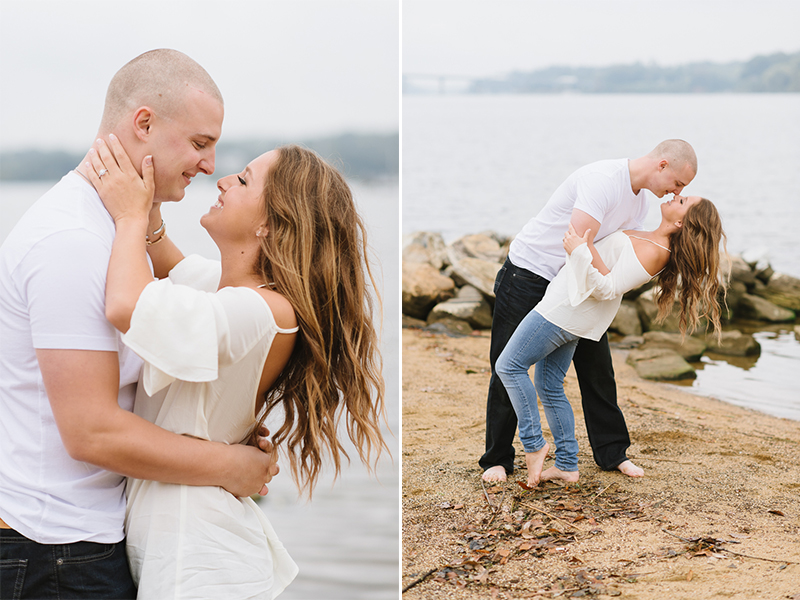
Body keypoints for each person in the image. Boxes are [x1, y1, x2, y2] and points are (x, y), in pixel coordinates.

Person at [0, 50, 278, 599]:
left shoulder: (116, 236)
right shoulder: (73, 243)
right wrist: (229, 466)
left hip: (80, 545)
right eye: (200, 143)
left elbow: (189, 306)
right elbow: (91, 430)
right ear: (144, 124)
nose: (209, 165)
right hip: (53, 552)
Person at [83, 135, 386, 598]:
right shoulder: (227, 291)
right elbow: (170, 264)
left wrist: (127, 217)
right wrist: (149, 193)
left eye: (243, 180)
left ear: (269, 222)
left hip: (200, 559)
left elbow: (127, 305)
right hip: (185, 544)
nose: (223, 180)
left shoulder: (262, 312)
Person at [481, 139, 698, 483]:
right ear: (662, 165)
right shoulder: (603, 179)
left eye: (682, 191)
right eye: (678, 183)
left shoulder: (641, 203)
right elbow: (580, 240)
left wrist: (604, 286)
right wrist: (607, 282)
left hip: (578, 288)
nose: (675, 192)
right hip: (531, 272)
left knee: (598, 371)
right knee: (505, 364)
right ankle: (497, 458)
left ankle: (612, 453)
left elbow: (606, 253)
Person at [496, 196, 725, 487]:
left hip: (564, 310)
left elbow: (608, 289)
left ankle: (533, 443)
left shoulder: (658, 252)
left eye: (680, 200)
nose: (672, 196)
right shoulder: (647, 235)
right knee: (549, 384)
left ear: (680, 222)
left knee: (509, 366)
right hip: (571, 307)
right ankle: (567, 465)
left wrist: (578, 251)